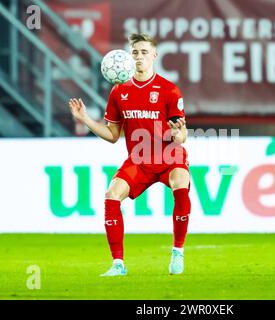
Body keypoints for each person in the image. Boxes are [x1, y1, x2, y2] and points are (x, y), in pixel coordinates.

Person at [69, 33, 191, 276]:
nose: (139, 57)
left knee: (181, 183)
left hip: (168, 155)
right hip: (139, 159)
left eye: (144, 52)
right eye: (135, 52)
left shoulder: (168, 90)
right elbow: (113, 135)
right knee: (112, 195)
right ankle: (118, 264)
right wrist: (86, 120)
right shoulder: (119, 92)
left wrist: (178, 135)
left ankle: (177, 251)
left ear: (154, 55)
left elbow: (182, 132)